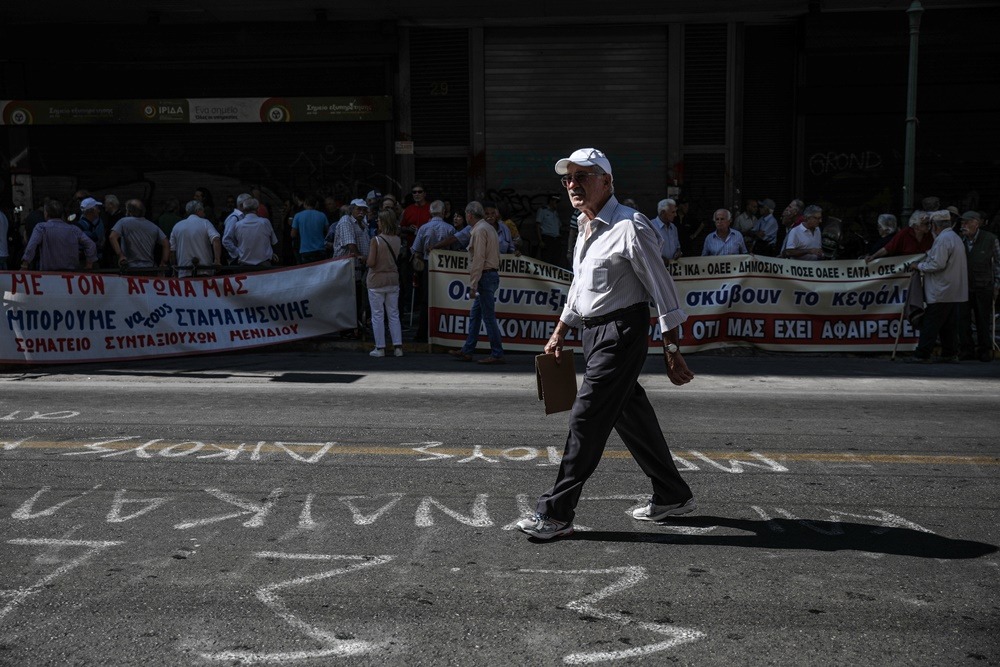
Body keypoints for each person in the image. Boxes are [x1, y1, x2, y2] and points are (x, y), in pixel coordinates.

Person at [516, 148, 694, 541]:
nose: (573, 185)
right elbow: (580, 285)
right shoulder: (584, 226)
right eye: (568, 179)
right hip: (593, 333)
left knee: (587, 417)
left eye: (583, 177)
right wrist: (561, 330)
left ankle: (557, 512)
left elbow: (661, 286)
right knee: (631, 415)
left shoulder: (631, 226)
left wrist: (671, 346)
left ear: (607, 182)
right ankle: (673, 494)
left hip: (622, 332)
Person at [448, 201, 504, 365]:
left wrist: (473, 284)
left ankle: (497, 353)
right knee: (477, 315)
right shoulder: (488, 228)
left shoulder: (479, 230)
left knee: (488, 317)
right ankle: (467, 350)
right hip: (489, 276)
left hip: (484, 278)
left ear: (469, 215)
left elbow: (478, 258)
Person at [909, 211, 968, 363]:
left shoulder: (943, 239)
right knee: (948, 324)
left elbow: (937, 264)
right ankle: (949, 352)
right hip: (952, 289)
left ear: (935, 226)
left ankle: (922, 354)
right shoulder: (954, 237)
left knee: (931, 323)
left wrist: (919, 265)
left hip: (941, 289)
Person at [411, 200, 458, 343]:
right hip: (446, 267)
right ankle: (444, 331)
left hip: (428, 265)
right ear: (444, 212)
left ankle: (423, 333)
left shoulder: (424, 228)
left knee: (426, 300)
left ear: (430, 213)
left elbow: (415, 249)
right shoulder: (450, 229)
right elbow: (456, 249)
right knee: (446, 299)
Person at [957, 211, 999, 362]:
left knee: (982, 319)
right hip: (964, 286)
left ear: (976, 223)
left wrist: (997, 285)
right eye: (962, 223)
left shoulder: (990, 239)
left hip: (984, 285)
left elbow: (998, 264)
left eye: (967, 223)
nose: (963, 226)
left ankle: (984, 349)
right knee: (963, 319)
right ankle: (966, 349)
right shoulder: (960, 240)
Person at [366, 210, 404, 358]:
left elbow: (371, 262)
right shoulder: (397, 239)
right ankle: (398, 347)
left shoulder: (376, 240)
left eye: (380, 221)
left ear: (383, 223)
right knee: (394, 314)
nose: (378, 223)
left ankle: (380, 347)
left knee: (377, 315)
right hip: (393, 279)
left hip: (376, 280)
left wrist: (364, 258)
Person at [20, 200, 97, 271]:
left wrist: (24, 265)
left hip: (48, 275)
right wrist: (89, 265)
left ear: (46, 213)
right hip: (71, 275)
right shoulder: (74, 229)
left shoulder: (41, 228)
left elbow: (31, 246)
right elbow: (91, 244)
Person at [109, 199, 169, 272]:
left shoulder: (123, 222)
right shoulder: (153, 226)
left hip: (129, 267)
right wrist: (163, 262)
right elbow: (166, 243)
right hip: (150, 268)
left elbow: (112, 237)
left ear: (129, 211)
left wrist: (120, 255)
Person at [170, 200, 222, 277]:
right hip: (204, 271)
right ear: (198, 211)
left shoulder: (177, 226)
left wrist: (174, 269)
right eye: (203, 211)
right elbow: (216, 239)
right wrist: (217, 261)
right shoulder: (205, 223)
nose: (204, 214)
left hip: (184, 271)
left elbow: (172, 250)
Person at [223, 196, 277, 267]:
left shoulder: (238, 225)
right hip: (264, 264)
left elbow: (235, 242)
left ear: (244, 209)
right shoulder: (265, 222)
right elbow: (273, 241)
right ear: (257, 209)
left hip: (244, 265)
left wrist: (238, 253)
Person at [866, 210, 932, 262]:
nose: (929, 226)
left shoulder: (930, 235)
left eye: (929, 223)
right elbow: (888, 248)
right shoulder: (905, 233)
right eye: (926, 224)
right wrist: (873, 256)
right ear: (916, 226)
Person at [291, 195, 330, 264]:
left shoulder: (298, 215)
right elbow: (328, 232)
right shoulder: (322, 215)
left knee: (307, 273)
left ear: (305, 204)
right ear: (316, 205)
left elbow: (293, 234)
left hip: (305, 250)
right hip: (320, 249)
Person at [221, 193, 251, 264]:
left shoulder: (242, 216)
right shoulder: (234, 218)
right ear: (241, 205)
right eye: (249, 204)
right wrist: (238, 254)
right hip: (237, 260)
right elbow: (226, 240)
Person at [651, 198, 682, 264]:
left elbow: (677, 247)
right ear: (663, 212)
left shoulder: (673, 228)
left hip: (673, 269)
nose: (675, 215)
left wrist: (678, 252)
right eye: (673, 212)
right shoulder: (651, 227)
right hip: (657, 267)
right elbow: (647, 249)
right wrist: (660, 257)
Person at [76, 197, 105, 265]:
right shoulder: (79, 227)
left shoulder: (98, 223)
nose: (99, 211)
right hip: (85, 262)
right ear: (91, 211)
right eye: (97, 208)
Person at [536, 195, 563, 265]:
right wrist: (540, 240)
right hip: (547, 238)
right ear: (551, 201)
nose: (556, 204)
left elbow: (559, 225)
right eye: (555, 202)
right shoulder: (543, 210)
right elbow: (538, 225)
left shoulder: (555, 213)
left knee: (556, 260)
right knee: (546, 260)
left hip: (556, 239)